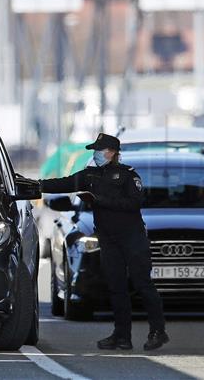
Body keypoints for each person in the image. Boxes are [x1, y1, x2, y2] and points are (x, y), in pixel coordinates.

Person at [38, 133, 169, 351]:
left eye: (100, 150)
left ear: (111, 153)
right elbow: (64, 183)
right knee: (116, 288)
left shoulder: (128, 176)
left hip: (132, 238)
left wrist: (99, 200)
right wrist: (34, 185)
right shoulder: (90, 175)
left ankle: (158, 331)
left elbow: (133, 203)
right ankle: (122, 336)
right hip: (108, 240)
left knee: (143, 284)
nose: (96, 154)